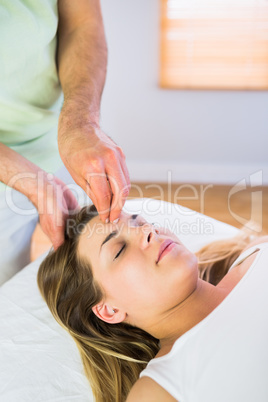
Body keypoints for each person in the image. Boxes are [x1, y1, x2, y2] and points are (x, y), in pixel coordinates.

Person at [37, 204, 268, 402]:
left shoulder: (257, 252)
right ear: (109, 310)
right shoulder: (160, 390)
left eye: (139, 223)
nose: (148, 230)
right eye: (119, 250)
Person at [0, 0, 130, 285]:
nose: (146, 231)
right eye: (119, 251)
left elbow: (82, 25)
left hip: (59, 145)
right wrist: (29, 181)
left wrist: (79, 124)